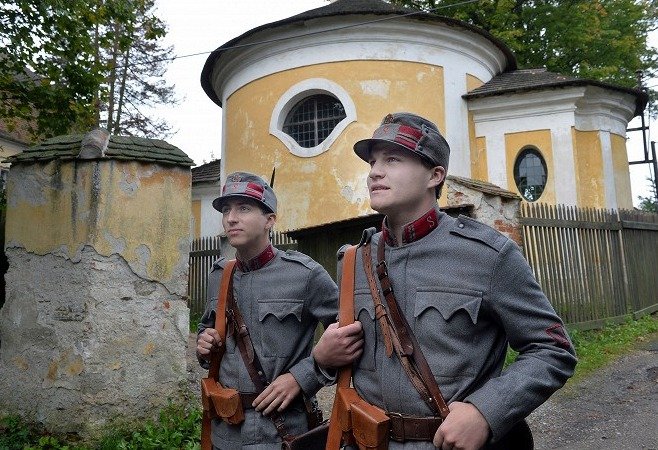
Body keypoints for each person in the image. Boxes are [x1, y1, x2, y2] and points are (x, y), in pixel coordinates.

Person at [314, 113, 578, 449]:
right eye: (373, 162)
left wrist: (484, 411)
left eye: (392, 159)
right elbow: (351, 360)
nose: (374, 172)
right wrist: (323, 359)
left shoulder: (488, 255)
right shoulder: (353, 260)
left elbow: (552, 350)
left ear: (435, 175)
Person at [196, 171, 362, 450]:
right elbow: (207, 332)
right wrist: (204, 344)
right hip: (224, 433)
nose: (231, 218)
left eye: (244, 208)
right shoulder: (219, 276)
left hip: (281, 434)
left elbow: (352, 333)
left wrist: (303, 375)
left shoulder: (305, 275)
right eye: (226, 210)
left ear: (270, 220)